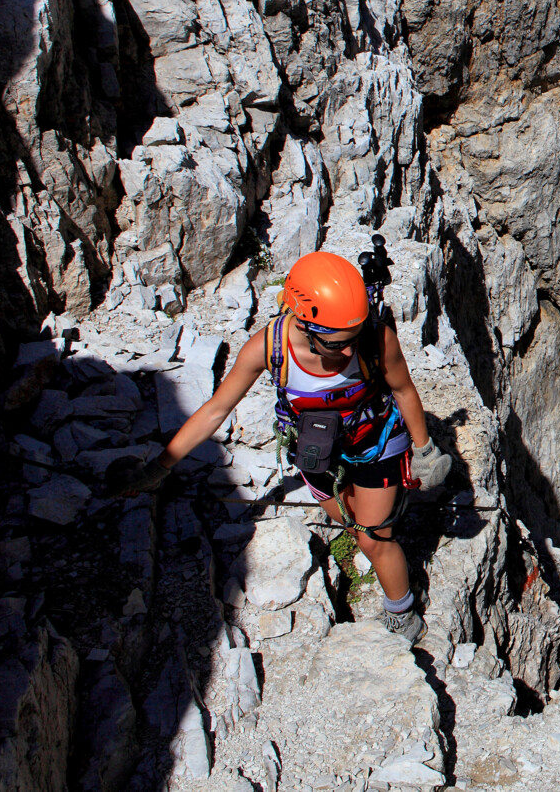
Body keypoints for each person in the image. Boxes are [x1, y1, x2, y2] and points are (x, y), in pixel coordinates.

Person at [112, 250, 451, 642]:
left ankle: (403, 613)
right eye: (336, 342)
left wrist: (424, 450)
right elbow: (215, 410)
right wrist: (160, 467)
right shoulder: (268, 349)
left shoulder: (374, 339)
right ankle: (382, 525)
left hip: (375, 444)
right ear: (304, 323)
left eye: (352, 340)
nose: (346, 352)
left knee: (373, 539)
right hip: (317, 451)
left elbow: (403, 389)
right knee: (346, 519)